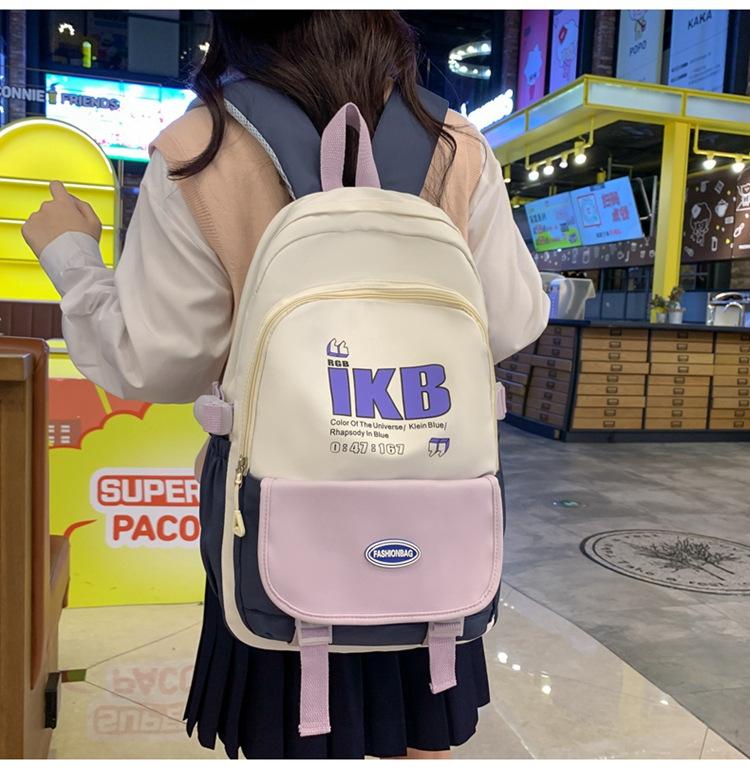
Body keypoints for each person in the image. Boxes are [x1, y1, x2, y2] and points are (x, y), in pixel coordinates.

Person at [23, 11, 549, 760]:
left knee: (289, 726)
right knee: (421, 721)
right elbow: (514, 318)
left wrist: (73, 256)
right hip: (434, 515)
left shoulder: (200, 148)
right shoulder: (456, 143)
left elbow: (156, 360)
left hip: (272, 523)